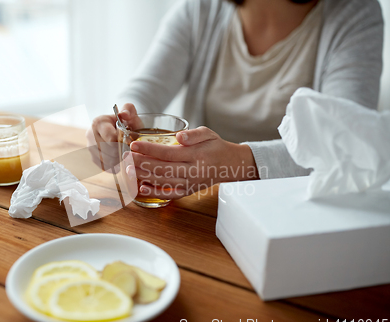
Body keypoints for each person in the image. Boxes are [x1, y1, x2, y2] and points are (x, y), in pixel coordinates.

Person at [88, 0, 383, 200]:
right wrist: (117, 123)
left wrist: (237, 163)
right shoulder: (202, 8)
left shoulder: (355, 14)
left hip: (290, 209)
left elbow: (347, 145)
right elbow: (145, 89)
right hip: (201, 203)